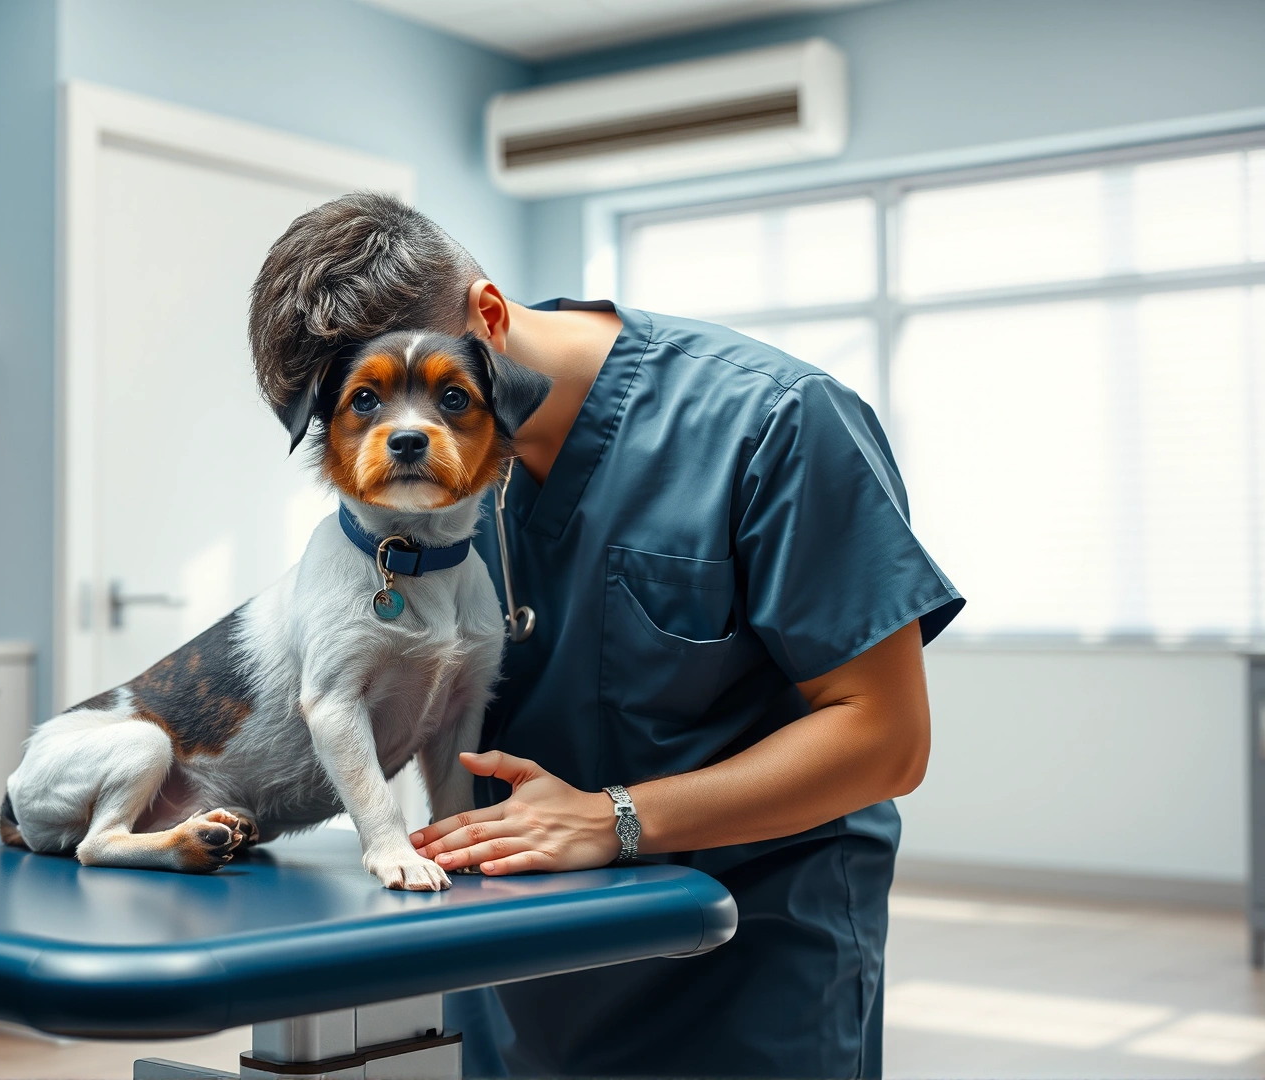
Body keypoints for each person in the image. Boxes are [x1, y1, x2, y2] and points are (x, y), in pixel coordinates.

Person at [248, 193, 962, 1079]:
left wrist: (616, 820)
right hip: (509, 965)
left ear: (490, 322)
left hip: (740, 972)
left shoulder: (776, 424)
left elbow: (885, 737)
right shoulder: (415, 483)